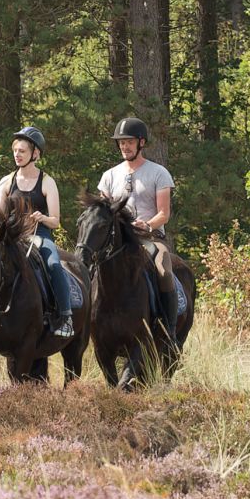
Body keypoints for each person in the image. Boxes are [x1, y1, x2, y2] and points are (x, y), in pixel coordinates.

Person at [0, 126, 74, 342]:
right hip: (10, 238)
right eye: (15, 151)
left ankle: (65, 315)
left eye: (22, 151)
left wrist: (43, 218)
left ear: (35, 153)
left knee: (53, 265)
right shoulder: (6, 181)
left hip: (39, 234)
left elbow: (56, 221)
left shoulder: (47, 182)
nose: (17, 155)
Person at [98, 116, 177, 344]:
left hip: (150, 238)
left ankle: (168, 330)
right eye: (121, 142)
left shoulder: (158, 173)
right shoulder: (109, 176)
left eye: (129, 142)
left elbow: (164, 213)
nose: (124, 146)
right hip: (119, 242)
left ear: (141, 143)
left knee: (163, 270)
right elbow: (103, 213)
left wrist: (148, 224)